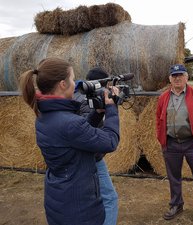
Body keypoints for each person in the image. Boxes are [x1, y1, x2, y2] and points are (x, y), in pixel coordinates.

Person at [18, 57, 120, 225]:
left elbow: (77, 136)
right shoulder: (69, 122)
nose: (75, 83)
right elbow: (110, 141)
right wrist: (111, 109)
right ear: (63, 84)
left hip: (60, 201)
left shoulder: (46, 116)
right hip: (79, 210)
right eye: (72, 79)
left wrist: (98, 112)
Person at [156, 64, 193, 225]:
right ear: (169, 79)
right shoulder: (163, 97)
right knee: (174, 178)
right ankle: (176, 205)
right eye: (174, 76)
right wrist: (162, 139)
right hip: (172, 144)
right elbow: (158, 120)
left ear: (187, 77)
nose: (177, 78)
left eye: (180, 75)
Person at [73, 67, 119, 225]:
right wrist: (110, 107)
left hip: (83, 157)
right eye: (106, 84)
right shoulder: (86, 101)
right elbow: (91, 132)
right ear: (101, 84)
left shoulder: (78, 95)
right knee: (110, 199)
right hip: (91, 157)